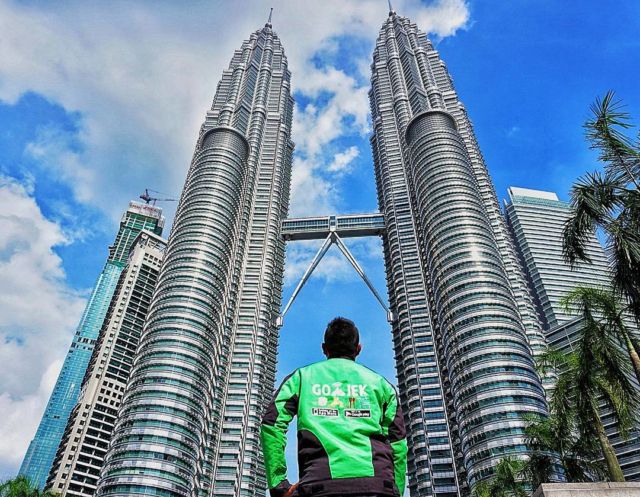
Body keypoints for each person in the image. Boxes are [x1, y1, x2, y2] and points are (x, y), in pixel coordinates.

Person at [261, 317, 407, 497]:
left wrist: (278, 484)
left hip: (319, 486)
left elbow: (271, 425)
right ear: (358, 349)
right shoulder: (382, 385)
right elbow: (398, 443)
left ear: (324, 348)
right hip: (377, 486)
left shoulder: (300, 378)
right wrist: (396, 490)